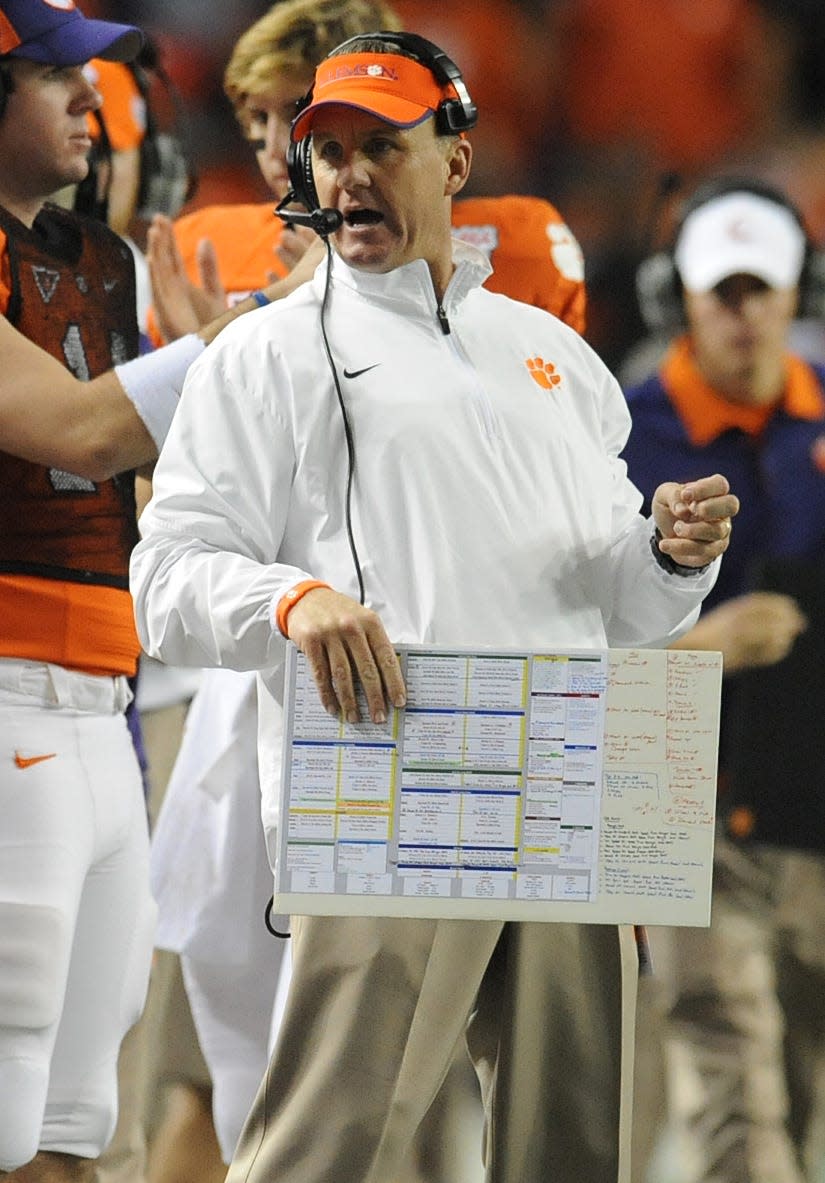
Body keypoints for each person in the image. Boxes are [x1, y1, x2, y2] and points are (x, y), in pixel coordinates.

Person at [130, 31, 737, 1183]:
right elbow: (166, 581)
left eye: (382, 147)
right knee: (327, 1144)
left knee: (574, 1148)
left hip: (565, 787)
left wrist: (665, 556)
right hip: (388, 783)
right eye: (330, 153)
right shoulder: (264, 357)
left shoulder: (553, 354)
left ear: (453, 163)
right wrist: (291, 597)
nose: (350, 175)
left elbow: (619, 603)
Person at [0, 1, 310, 1176]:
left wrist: (219, 373)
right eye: (54, 79)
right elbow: (78, 430)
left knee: (83, 1118)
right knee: (9, 1079)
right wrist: (261, 333)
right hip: (10, 696)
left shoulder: (101, 265)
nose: (94, 104)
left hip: (100, 705)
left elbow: (150, 493)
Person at [621, 177, 825, 1183]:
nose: (744, 314)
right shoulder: (615, 433)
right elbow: (567, 653)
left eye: (764, 290)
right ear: (679, 298)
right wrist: (708, 647)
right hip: (683, 800)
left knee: (803, 1087)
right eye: (722, 291)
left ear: (801, 294)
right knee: (735, 1091)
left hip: (810, 801)